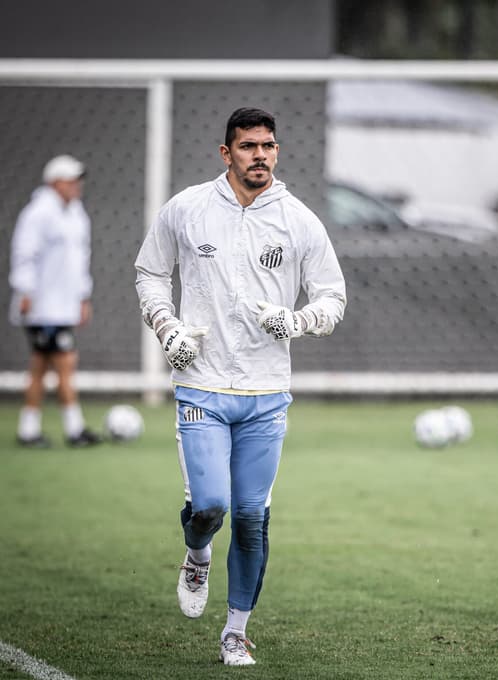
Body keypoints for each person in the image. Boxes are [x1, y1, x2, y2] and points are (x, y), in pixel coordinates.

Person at [135, 107, 346, 665]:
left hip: (266, 392)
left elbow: (333, 298)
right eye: (249, 146)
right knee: (208, 505)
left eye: (268, 146)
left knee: (251, 516)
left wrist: (297, 321)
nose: (261, 155)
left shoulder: (299, 220)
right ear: (226, 153)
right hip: (201, 383)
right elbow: (150, 272)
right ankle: (197, 554)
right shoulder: (188, 208)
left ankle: (235, 630)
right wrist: (167, 326)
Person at [8, 154, 102, 448]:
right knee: (63, 364)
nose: (77, 185)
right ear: (55, 182)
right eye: (71, 180)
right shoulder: (38, 213)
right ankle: (74, 429)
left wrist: (82, 297)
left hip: (64, 307)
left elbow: (81, 261)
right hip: (42, 306)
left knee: (41, 366)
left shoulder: (76, 213)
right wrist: (25, 292)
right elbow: (24, 254)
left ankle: (29, 429)